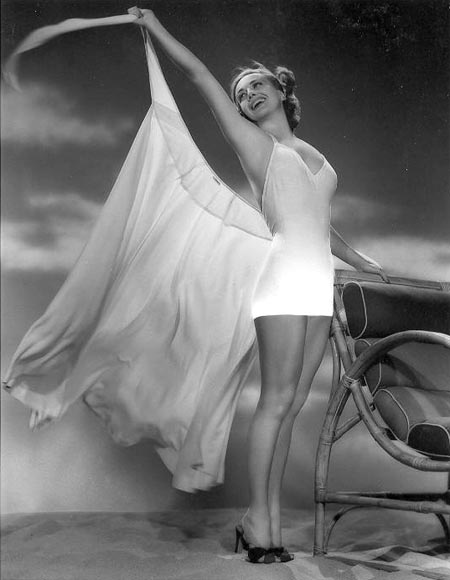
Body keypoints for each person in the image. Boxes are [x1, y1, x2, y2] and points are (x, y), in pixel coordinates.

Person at [127, 7, 387, 564]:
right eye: (241, 93)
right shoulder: (255, 145)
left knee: (291, 406)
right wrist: (154, 25)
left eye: (256, 85)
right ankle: (261, 524)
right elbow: (199, 75)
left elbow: (318, 222)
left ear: (281, 90)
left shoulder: (313, 155)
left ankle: (258, 520)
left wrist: (361, 260)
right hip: (282, 283)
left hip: (318, 284)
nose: (247, 94)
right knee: (275, 402)